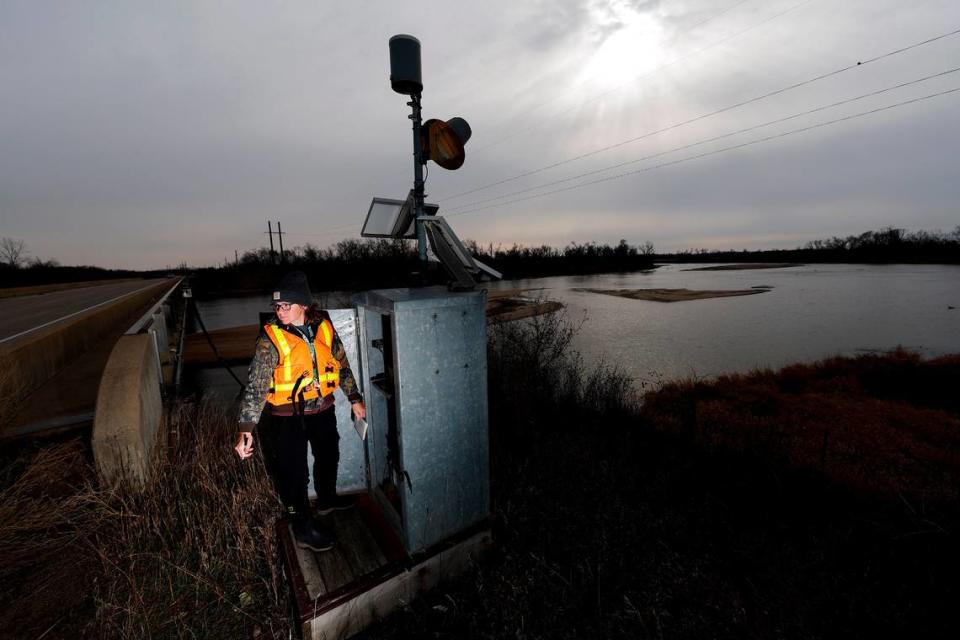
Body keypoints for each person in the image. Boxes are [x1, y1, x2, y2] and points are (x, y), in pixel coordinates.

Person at [234, 271, 366, 552]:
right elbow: (256, 385)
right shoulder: (270, 338)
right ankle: (302, 526)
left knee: (329, 455)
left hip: (322, 409)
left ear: (303, 305)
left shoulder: (324, 326)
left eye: (286, 306)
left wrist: (354, 397)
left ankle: (327, 500)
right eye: (277, 306)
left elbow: (340, 364)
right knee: (294, 473)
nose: (280, 311)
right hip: (287, 417)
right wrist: (246, 428)